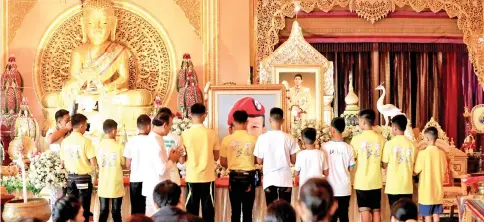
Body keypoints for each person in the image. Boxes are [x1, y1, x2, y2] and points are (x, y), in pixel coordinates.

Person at [253, 107, 299, 206]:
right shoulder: (290, 138)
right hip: (285, 179)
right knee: (285, 211)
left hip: (269, 179)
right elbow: (294, 160)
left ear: (270, 120)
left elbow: (259, 161)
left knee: (271, 211)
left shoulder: (262, 138)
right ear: (282, 120)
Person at [182, 103, 219, 222]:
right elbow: (216, 156)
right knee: (208, 212)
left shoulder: (185, 134)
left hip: (192, 177)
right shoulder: (212, 133)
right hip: (208, 177)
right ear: (204, 115)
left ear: (190, 115)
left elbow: (182, 158)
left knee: (191, 212)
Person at [220, 110, 257, 222]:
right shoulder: (254, 139)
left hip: (234, 177)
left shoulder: (227, 139)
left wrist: (232, 163)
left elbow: (222, 162)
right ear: (247, 122)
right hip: (249, 177)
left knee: (235, 211)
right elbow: (257, 160)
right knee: (247, 211)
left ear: (233, 122)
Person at [141, 112, 181, 216]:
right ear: (164, 125)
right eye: (170, 125)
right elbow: (161, 170)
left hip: (155, 187)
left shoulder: (155, 138)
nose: (170, 128)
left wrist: (169, 158)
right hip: (157, 189)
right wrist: (172, 159)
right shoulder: (155, 141)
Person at [60, 114, 97, 222]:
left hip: (70, 178)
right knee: (84, 209)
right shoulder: (86, 141)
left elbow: (62, 163)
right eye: (85, 125)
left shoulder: (65, 141)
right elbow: (93, 163)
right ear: (81, 125)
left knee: (72, 208)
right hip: (83, 179)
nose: (86, 127)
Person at [350, 109, 385, 222]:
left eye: (359, 120)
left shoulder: (356, 139)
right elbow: (384, 164)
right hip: (376, 180)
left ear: (364, 122)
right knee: (376, 210)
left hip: (362, 181)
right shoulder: (381, 139)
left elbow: (352, 160)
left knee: (364, 211)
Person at [322, 117, 355, 222]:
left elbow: (322, 168)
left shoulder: (324, 147)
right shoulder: (349, 148)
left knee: (330, 217)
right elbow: (351, 168)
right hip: (344, 188)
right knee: (344, 215)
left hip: (329, 188)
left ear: (332, 129)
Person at [382, 115, 416, 208]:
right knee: (406, 214)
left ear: (394, 127)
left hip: (393, 186)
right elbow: (414, 166)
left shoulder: (389, 144)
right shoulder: (412, 145)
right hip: (407, 186)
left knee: (394, 213)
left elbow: (384, 165)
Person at [414, 127, 447, 222]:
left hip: (426, 192)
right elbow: (444, 169)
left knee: (427, 216)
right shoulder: (442, 154)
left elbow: (416, 170)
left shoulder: (423, 154)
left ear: (427, 139)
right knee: (436, 215)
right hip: (438, 191)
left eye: (424, 138)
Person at [97, 119, 125, 222]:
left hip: (103, 183)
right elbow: (124, 164)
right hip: (115, 183)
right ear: (113, 131)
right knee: (116, 212)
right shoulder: (119, 147)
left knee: (103, 211)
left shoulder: (98, 146)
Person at [123, 114, 151, 215]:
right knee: (148, 210)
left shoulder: (130, 142)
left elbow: (127, 164)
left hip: (135, 179)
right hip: (149, 180)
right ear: (149, 126)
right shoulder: (152, 141)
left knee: (136, 210)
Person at [158, 107, 186, 185]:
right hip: (173, 176)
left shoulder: (152, 137)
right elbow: (182, 160)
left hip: (158, 179)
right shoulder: (177, 138)